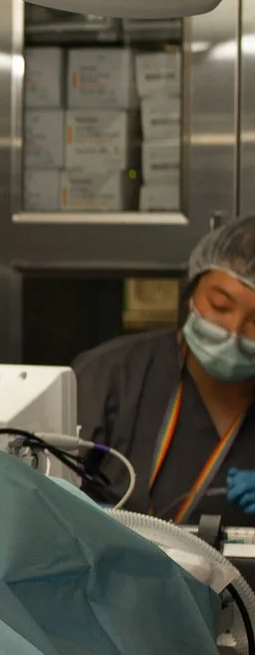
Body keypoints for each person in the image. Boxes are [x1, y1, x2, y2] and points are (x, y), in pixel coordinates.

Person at [75, 217, 255, 520]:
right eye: (220, 306)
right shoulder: (112, 375)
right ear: (191, 294)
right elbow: (37, 490)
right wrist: (78, 511)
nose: (233, 331)